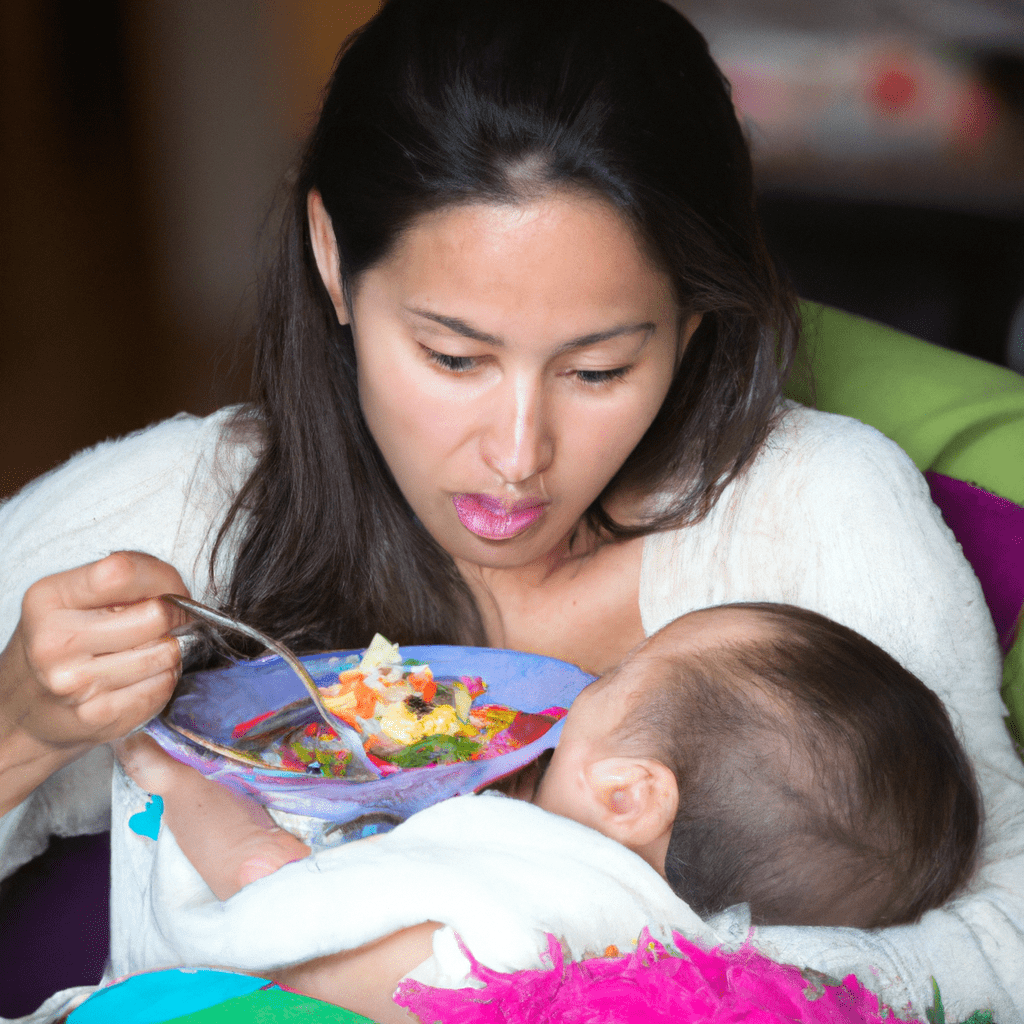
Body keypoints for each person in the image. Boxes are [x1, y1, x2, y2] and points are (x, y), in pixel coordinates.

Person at [0, 0, 1021, 1020]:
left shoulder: (814, 507)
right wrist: (22, 726)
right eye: (453, 357)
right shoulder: (161, 516)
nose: (517, 454)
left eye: (598, 367)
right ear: (331, 257)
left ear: (692, 317)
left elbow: (1003, 932)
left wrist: (610, 986)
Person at [121, 602, 981, 934]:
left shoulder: (519, 874)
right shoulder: (674, 945)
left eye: (608, 682)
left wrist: (159, 764)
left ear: (629, 794)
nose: (576, 697)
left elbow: (267, 882)